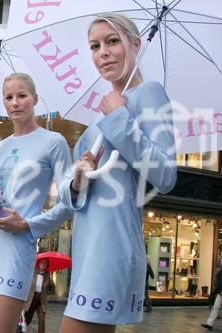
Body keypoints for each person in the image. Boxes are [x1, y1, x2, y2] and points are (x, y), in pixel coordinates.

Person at [58, 13, 177, 333]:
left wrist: (120, 118)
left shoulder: (149, 93)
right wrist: (78, 177)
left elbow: (166, 175)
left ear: (136, 44)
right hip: (87, 243)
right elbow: (70, 190)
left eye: (113, 41)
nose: (103, 53)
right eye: (95, 46)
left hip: (113, 244)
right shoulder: (100, 113)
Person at [0, 72, 72, 332]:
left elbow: (70, 203)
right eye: (9, 97)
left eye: (22, 96)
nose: (15, 102)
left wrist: (29, 225)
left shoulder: (54, 142)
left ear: (35, 99)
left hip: (15, 252)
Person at [23, 258, 54, 333]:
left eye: (45, 263)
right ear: (38, 263)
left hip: (41, 301)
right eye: (42, 262)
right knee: (27, 319)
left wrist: (51, 279)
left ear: (47, 265)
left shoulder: (48, 274)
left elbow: (52, 290)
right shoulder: (33, 271)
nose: (43, 264)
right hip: (31, 299)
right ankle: (21, 331)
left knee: (41, 319)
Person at [201, 261, 222, 330]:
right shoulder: (220, 271)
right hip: (220, 292)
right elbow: (219, 282)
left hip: (220, 291)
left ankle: (209, 323)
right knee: (215, 307)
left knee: (216, 308)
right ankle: (209, 324)